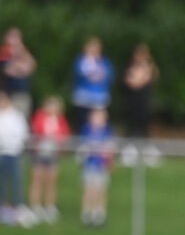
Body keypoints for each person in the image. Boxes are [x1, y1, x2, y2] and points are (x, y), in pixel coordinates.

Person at [28, 94, 70, 224]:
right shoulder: (39, 117)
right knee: (37, 179)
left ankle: (49, 206)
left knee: (51, 181)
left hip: (53, 154)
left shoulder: (61, 120)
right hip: (39, 153)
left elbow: (64, 135)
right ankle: (35, 205)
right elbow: (35, 130)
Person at [122, 42, 159, 165]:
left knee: (144, 126)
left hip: (144, 102)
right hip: (133, 102)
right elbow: (131, 82)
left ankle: (147, 151)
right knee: (131, 125)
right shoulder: (130, 67)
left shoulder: (149, 66)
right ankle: (129, 150)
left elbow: (151, 77)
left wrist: (145, 70)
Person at [78, 107, 114, 227]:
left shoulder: (107, 132)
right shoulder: (86, 130)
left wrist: (109, 161)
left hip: (101, 166)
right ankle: (87, 212)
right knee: (89, 189)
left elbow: (110, 149)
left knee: (100, 190)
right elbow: (82, 147)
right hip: (89, 165)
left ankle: (99, 212)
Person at [0, 91, 32, 227]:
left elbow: (23, 133)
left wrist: (15, 144)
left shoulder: (16, 116)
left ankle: (17, 209)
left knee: (15, 182)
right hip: (1, 153)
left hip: (13, 152)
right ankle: (3, 209)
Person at [70, 37, 113, 133]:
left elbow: (110, 76)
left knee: (99, 124)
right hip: (83, 99)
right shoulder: (81, 61)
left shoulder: (104, 62)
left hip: (99, 99)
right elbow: (79, 74)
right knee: (81, 122)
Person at [0, 27, 37, 118]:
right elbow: (7, 70)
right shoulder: (4, 51)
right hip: (6, 93)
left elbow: (30, 67)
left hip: (21, 93)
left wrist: (20, 53)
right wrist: (20, 68)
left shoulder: (24, 51)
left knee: (21, 118)